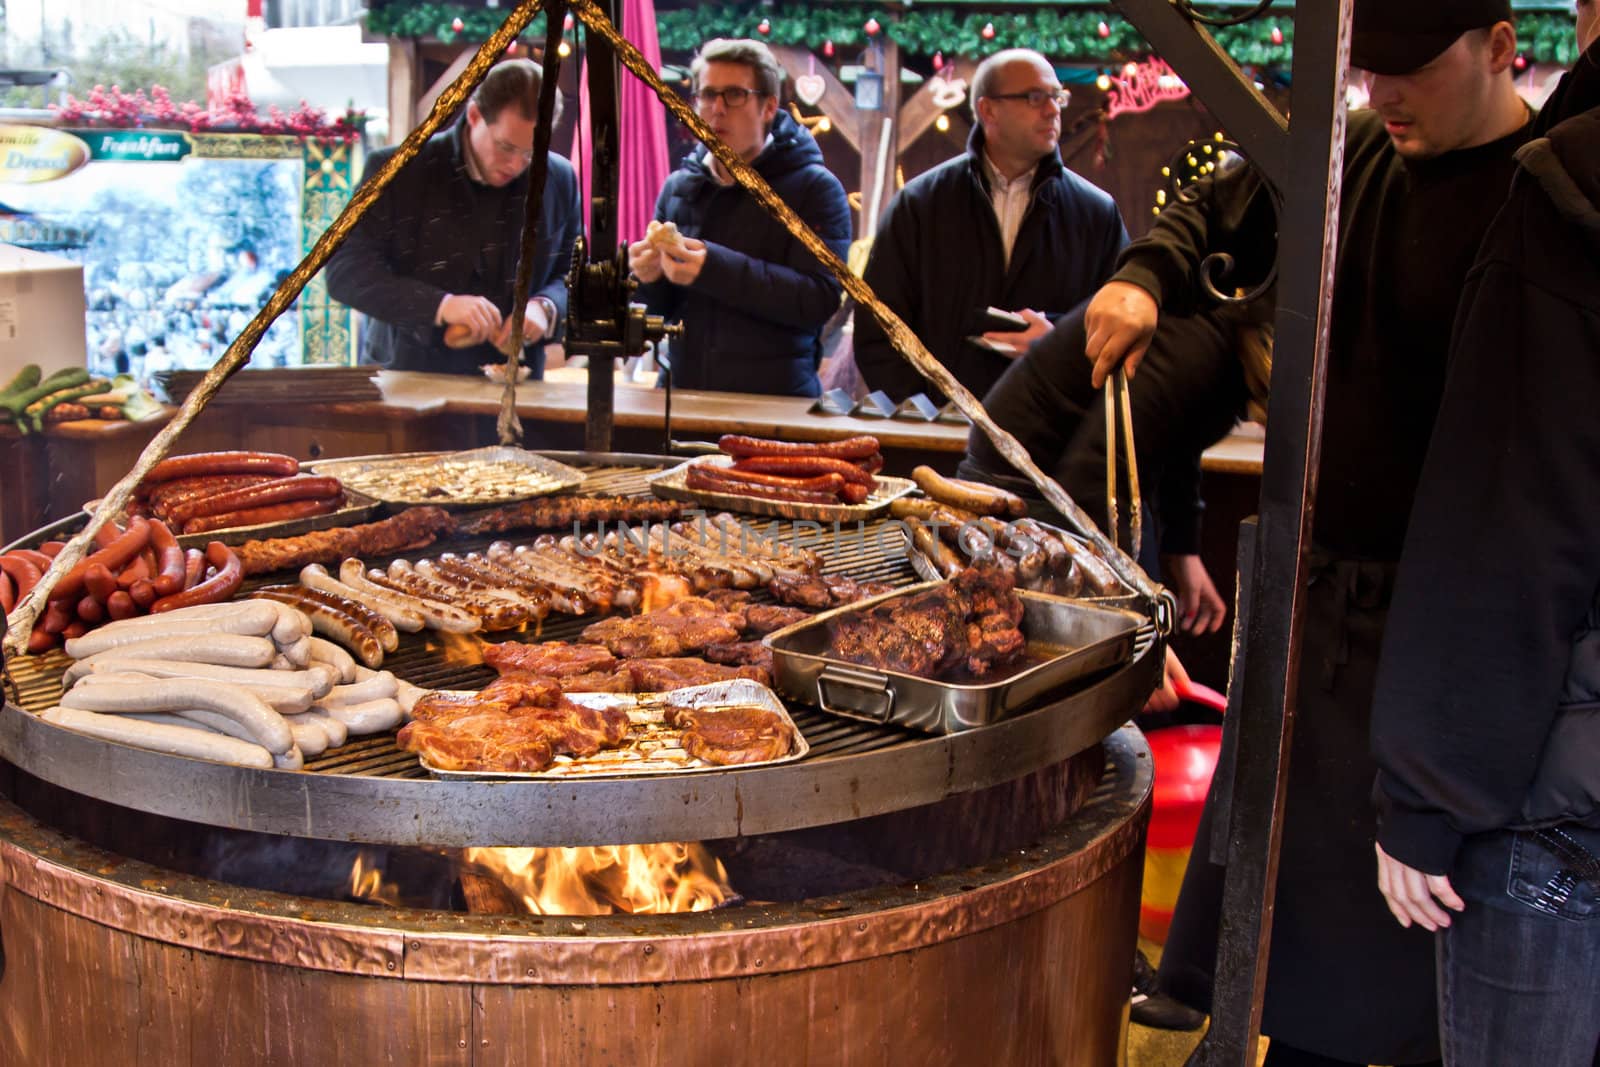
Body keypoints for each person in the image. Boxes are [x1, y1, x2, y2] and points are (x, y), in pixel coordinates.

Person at [1082, 2, 1536, 1063]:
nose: (1378, 94)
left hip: (1444, 632)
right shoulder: (1357, 152)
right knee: (1291, 959)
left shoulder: (1535, 196)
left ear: (1502, 47)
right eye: (1366, 70)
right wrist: (1143, 275)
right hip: (1319, 612)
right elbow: (1208, 210)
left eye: (1408, 70)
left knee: (1418, 961)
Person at [1369, 18, 1600, 1067]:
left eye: (1404, 64)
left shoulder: (1561, 188)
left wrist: (1425, 789)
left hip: (1549, 801)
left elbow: (1513, 511)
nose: (1381, 94)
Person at [853, 48, 1127, 405]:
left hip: (1049, 440)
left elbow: (1121, 329)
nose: (1053, 109)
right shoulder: (919, 205)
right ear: (988, 109)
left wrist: (1060, 343)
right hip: (938, 435)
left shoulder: (1097, 213)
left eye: (1057, 96)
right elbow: (878, 330)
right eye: (1034, 97)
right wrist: (925, 408)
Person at [326, 58, 581, 377]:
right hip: (411, 378)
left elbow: (574, 273)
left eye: (531, 152)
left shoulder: (559, 178)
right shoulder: (399, 169)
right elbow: (345, 274)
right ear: (474, 116)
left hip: (517, 387)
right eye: (505, 146)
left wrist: (547, 306)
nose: (517, 164)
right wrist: (440, 305)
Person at [626, 38, 851, 398]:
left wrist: (712, 267)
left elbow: (819, 300)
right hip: (684, 400)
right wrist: (646, 278)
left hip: (775, 408)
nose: (716, 109)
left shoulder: (815, 189)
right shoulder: (679, 187)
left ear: (768, 107)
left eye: (734, 95)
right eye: (706, 94)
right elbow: (660, 311)